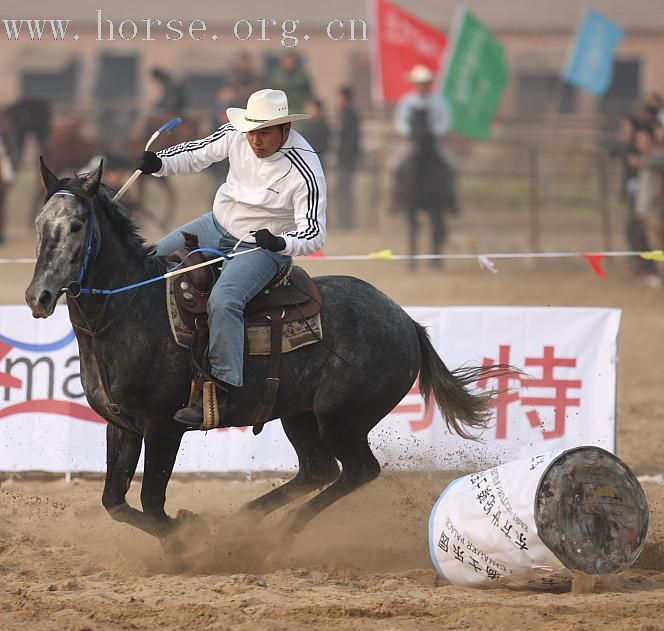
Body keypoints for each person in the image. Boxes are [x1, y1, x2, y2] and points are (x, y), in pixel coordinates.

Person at [136, 89, 327, 428]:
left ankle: (225, 390)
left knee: (225, 301)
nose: (255, 139)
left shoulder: (305, 168)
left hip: (262, 249)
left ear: (284, 128)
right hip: (215, 225)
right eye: (252, 130)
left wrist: (281, 242)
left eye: (264, 132)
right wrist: (160, 163)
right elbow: (196, 152)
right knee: (150, 261)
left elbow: (314, 233)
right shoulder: (235, 134)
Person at [394, 65, 452, 138]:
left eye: (424, 83)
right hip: (411, 138)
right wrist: (411, 131)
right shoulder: (407, 100)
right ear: (414, 84)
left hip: (435, 139)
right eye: (419, 83)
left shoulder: (439, 100)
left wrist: (434, 131)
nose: (422, 86)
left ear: (429, 83)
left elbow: (446, 121)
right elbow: (400, 121)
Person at [335, 86, 361, 230]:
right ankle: (342, 221)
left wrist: (347, 157)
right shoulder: (343, 114)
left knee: (346, 192)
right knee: (341, 191)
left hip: (347, 160)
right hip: (342, 159)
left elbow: (352, 141)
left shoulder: (351, 116)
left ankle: (347, 222)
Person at [271, 52, 314, 116]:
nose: (289, 64)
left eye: (291, 62)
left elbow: (309, 94)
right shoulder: (276, 78)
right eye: (287, 62)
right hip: (281, 108)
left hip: (299, 108)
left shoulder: (302, 77)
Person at [301, 99, 330, 170]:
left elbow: (323, 145)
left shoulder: (323, 126)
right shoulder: (306, 125)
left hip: (317, 160)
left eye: (312, 109)